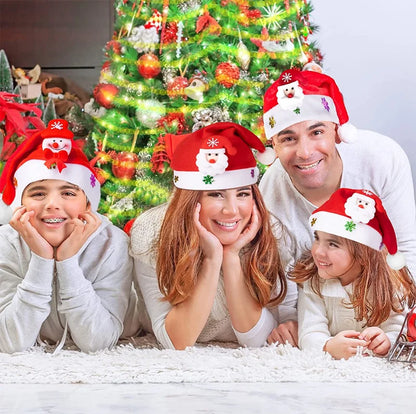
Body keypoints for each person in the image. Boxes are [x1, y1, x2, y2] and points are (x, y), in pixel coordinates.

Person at [129, 122, 297, 350]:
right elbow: (176, 342)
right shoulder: (152, 233)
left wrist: (232, 258)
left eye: (242, 194)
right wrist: (211, 259)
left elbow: (259, 340)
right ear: (190, 202)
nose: (232, 210)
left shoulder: (272, 234)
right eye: (216, 194)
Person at [259, 68, 416, 283]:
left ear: (337, 132)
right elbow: (282, 280)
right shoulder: (270, 194)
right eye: (288, 139)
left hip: (387, 298)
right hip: (315, 308)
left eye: (316, 132)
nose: (305, 153)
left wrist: (402, 313)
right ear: (273, 147)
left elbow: (407, 250)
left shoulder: (382, 158)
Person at [0, 119, 139, 353]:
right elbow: (10, 343)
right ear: (20, 205)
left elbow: (98, 343)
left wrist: (67, 262)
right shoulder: (6, 243)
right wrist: (42, 259)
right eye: (38, 193)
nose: (52, 205)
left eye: (68, 192)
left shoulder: (112, 244)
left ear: (87, 203)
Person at [290, 188, 416, 360]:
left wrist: (385, 340)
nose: (318, 251)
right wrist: (328, 347)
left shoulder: (390, 284)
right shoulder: (314, 282)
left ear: (363, 254)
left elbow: (400, 330)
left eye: (333, 244)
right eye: (317, 238)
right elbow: (309, 332)